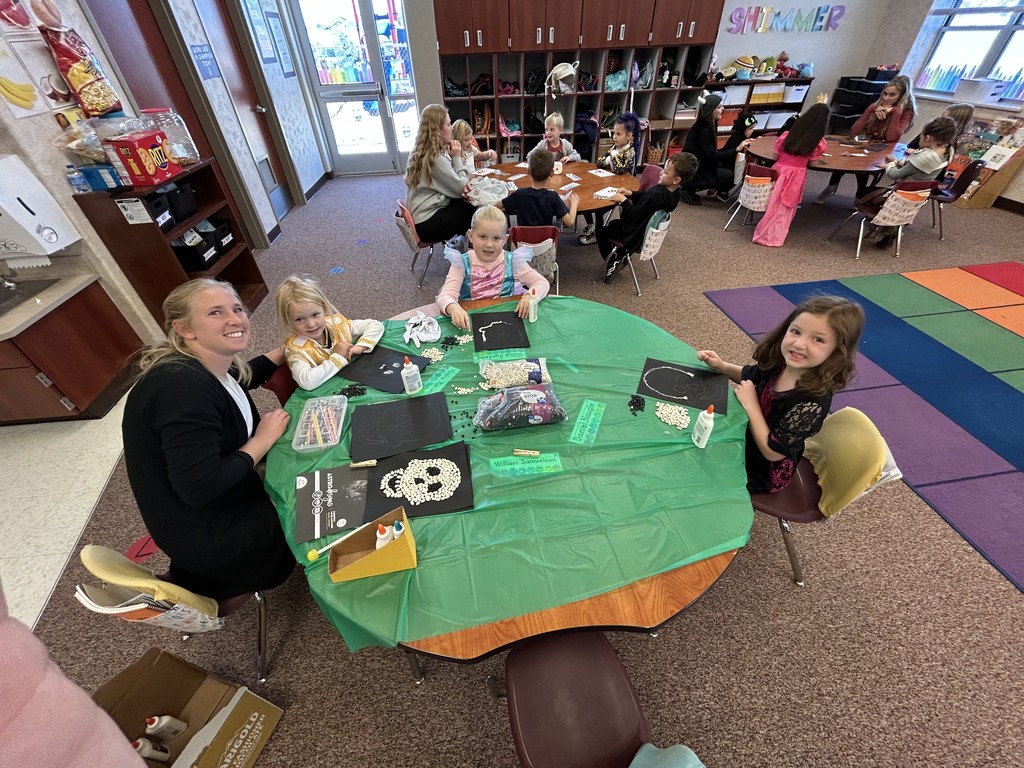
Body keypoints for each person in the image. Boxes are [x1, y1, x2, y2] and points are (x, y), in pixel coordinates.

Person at [122, 279, 295, 599]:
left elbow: (244, 377)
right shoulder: (181, 387)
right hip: (219, 540)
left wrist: (290, 347)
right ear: (184, 328)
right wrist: (262, 439)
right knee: (321, 491)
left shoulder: (205, 363)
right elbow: (199, 487)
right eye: (216, 313)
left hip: (218, 511)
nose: (235, 319)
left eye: (237, 309)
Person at [697, 295, 865, 494]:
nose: (799, 344)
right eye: (796, 332)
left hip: (764, 472)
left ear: (837, 351)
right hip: (746, 437)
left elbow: (773, 452)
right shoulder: (782, 363)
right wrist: (722, 366)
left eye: (818, 339)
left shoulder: (812, 402)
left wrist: (751, 405)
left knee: (700, 472)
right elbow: (750, 376)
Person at [436, 204, 550, 330]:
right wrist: (454, 308)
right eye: (482, 236)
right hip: (471, 321)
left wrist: (530, 297)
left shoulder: (513, 262)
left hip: (506, 322)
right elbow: (444, 296)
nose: (489, 244)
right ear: (471, 235)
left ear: (504, 240)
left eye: (496, 238)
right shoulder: (461, 264)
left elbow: (541, 282)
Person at [595, 152, 698, 280]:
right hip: (647, 233)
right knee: (613, 224)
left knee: (601, 232)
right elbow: (645, 196)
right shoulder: (675, 193)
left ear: (676, 179)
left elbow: (634, 215)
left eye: (665, 172)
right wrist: (630, 193)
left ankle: (613, 261)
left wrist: (623, 200)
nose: (661, 173)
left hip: (634, 235)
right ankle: (621, 254)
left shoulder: (657, 194)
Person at [859, 115, 957, 249]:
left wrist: (889, 165)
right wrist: (896, 161)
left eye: (921, 136)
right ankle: (890, 228)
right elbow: (912, 165)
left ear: (928, 138)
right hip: (917, 197)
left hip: (897, 197)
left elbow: (894, 174)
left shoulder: (924, 156)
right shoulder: (948, 151)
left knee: (862, 192)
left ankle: (881, 221)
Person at [815, 74, 917, 203]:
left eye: (892, 95)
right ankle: (832, 186)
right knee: (847, 156)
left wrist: (895, 112)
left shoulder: (906, 111)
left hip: (885, 147)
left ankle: (859, 195)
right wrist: (870, 110)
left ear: (902, 96)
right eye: (885, 94)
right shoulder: (877, 105)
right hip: (868, 142)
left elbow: (893, 138)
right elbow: (854, 133)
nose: (886, 98)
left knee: (863, 166)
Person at [276, 275, 384, 391]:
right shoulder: (295, 348)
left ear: (324, 309)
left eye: (315, 314)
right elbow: (307, 382)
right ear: (288, 320)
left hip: (360, 379)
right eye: (299, 319)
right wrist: (336, 357)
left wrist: (360, 347)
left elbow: (375, 325)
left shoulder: (337, 324)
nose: (311, 324)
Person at [752, 99, 831, 247]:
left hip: (779, 170)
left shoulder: (787, 135)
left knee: (772, 204)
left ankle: (764, 232)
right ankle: (771, 237)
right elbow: (813, 162)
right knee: (784, 208)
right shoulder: (817, 143)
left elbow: (775, 156)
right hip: (795, 176)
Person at [405, 103, 476, 244]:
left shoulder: (422, 151)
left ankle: (465, 245)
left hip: (421, 218)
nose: (452, 128)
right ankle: (472, 250)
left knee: (464, 203)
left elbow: (453, 182)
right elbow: (463, 188)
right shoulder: (435, 159)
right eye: (449, 124)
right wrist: (457, 158)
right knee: (473, 205)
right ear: (437, 130)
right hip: (427, 223)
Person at [578, 111, 640, 244]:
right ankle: (591, 225)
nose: (614, 137)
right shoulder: (615, 147)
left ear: (629, 136)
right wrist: (608, 157)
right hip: (608, 182)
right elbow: (599, 161)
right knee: (585, 195)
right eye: (614, 133)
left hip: (622, 189)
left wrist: (611, 156)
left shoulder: (630, 151)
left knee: (598, 207)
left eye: (618, 134)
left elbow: (619, 169)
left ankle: (598, 234)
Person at [679, 92, 740, 205]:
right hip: (694, 168)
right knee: (727, 175)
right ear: (711, 110)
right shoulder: (704, 130)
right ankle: (689, 188)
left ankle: (691, 187)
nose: (723, 108)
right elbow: (710, 157)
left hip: (699, 165)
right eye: (719, 107)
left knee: (725, 166)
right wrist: (735, 150)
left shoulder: (710, 123)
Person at [498, 147, 580, 227]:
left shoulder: (519, 194)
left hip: (522, 240)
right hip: (546, 240)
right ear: (552, 173)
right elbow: (569, 222)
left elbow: (498, 205)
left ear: (529, 171)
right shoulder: (553, 197)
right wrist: (574, 203)